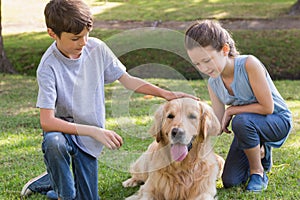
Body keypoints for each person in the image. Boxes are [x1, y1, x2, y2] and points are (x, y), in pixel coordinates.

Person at [20, 0, 198, 199]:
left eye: (87, 34)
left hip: (88, 139)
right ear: (52, 33)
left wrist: (166, 94)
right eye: (76, 38)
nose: (84, 42)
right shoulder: (48, 67)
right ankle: (62, 190)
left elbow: (128, 81)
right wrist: (95, 131)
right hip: (63, 132)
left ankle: (47, 182)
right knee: (55, 144)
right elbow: (47, 121)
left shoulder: (96, 48)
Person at [184, 20, 292, 192]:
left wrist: (232, 110)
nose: (203, 68)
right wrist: (189, 134)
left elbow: (267, 108)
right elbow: (218, 125)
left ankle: (258, 172)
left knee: (240, 121)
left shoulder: (249, 64)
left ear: (225, 50)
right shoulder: (213, 82)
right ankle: (262, 150)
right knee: (231, 181)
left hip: (277, 121)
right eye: (197, 64)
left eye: (207, 60)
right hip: (249, 126)